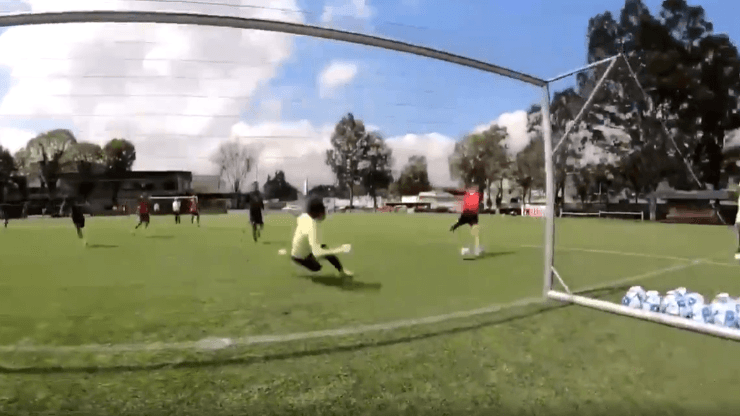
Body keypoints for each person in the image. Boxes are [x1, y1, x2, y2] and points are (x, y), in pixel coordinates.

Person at [290, 198, 353, 278]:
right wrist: (341, 249)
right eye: (323, 211)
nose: (324, 213)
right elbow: (317, 252)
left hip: (297, 253)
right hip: (301, 258)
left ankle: (342, 271)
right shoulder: (312, 226)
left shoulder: (304, 216)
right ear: (316, 212)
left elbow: (299, 220)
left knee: (324, 248)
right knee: (317, 268)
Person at [450, 187, 483, 256]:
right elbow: (456, 192)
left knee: (458, 226)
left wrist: (449, 191)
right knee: (475, 231)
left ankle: (475, 249)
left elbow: (456, 192)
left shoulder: (468, 193)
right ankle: (476, 249)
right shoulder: (477, 194)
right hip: (471, 214)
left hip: (468, 213)